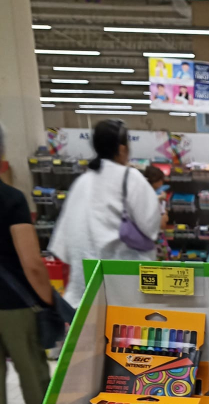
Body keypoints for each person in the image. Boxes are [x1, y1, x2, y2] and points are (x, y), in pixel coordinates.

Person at [49, 119, 161, 307]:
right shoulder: (130, 178)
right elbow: (151, 227)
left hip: (82, 294)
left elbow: (64, 245)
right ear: (122, 149)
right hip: (121, 293)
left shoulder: (81, 183)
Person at [0, 123, 53, 404]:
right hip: (14, 307)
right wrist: (48, 303)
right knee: (34, 378)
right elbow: (32, 263)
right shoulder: (11, 199)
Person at [144, 164, 171, 261]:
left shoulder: (142, 195)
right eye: (161, 180)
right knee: (161, 265)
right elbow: (162, 224)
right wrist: (165, 214)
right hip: (157, 237)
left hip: (146, 239)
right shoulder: (155, 198)